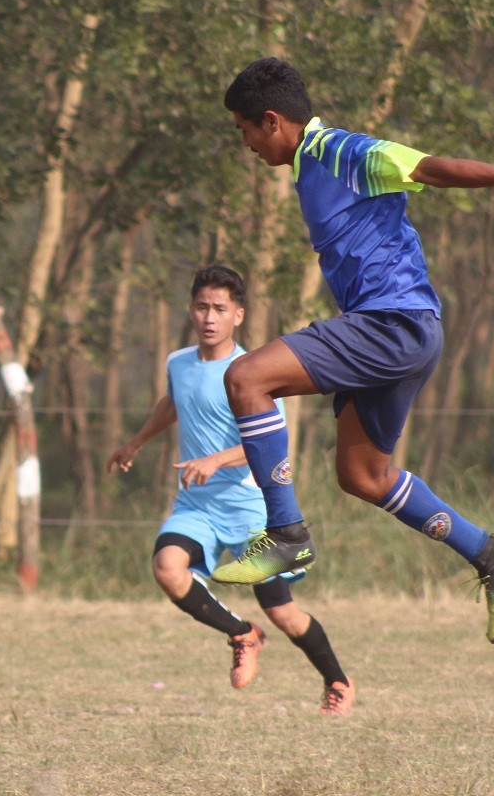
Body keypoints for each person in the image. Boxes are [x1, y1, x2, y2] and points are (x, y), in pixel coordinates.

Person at [209, 57, 494, 644]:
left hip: (394, 324)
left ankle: (285, 535)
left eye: (244, 131)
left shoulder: (338, 150)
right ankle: (493, 555)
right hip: (400, 330)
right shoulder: (309, 165)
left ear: (272, 121)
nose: (246, 145)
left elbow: (426, 167)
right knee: (363, 476)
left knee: (245, 379)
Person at [107, 264, 354, 715]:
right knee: (167, 567)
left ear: (238, 316)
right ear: (191, 310)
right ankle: (242, 633)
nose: (209, 317)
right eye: (202, 307)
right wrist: (136, 441)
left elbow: (273, 443)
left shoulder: (254, 373)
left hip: (251, 510)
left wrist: (216, 459)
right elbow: (173, 403)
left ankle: (337, 680)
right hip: (197, 506)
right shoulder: (178, 363)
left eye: (220, 309)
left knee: (285, 615)